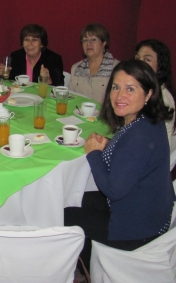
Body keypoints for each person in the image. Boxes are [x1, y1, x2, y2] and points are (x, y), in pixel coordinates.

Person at [64, 60, 175, 273]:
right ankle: (90, 263)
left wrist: (94, 154)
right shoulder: (148, 121)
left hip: (135, 229)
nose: (119, 95)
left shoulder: (140, 135)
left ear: (149, 94)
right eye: (115, 87)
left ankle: (88, 269)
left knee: (63, 214)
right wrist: (109, 147)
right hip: (146, 211)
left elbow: (113, 190)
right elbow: (132, 161)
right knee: (72, 196)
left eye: (130, 89)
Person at [135, 39, 176, 146]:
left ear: (160, 66)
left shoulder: (163, 99)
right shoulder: (140, 88)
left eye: (147, 59)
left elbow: (159, 143)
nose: (139, 63)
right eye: (137, 58)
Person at [68, 23, 119, 104]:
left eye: (94, 40)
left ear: (104, 43)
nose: (89, 44)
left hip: (105, 115)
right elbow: (70, 97)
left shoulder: (116, 68)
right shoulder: (76, 68)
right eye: (85, 40)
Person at [0, 24, 64, 85]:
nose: (30, 43)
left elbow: (60, 85)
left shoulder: (54, 59)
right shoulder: (16, 56)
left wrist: (49, 81)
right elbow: (11, 82)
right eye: (26, 40)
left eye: (34, 40)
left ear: (42, 44)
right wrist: (5, 76)